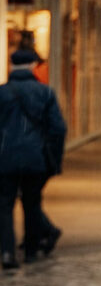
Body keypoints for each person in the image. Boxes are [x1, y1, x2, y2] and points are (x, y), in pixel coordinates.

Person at [0, 49, 66, 270]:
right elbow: (58, 128)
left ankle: (8, 253)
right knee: (32, 202)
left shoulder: (2, 93)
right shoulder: (45, 93)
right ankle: (30, 251)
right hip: (35, 157)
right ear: (31, 66)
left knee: (4, 205)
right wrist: (54, 159)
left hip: (5, 158)